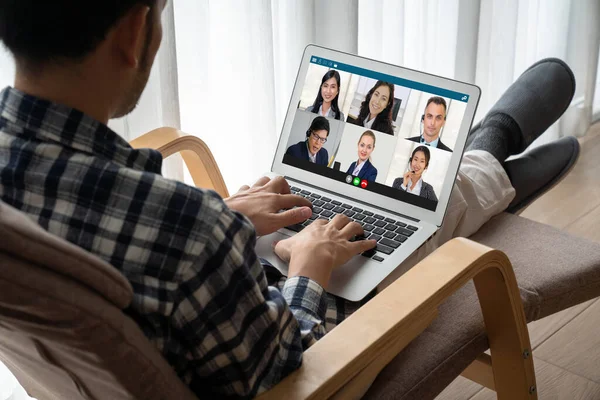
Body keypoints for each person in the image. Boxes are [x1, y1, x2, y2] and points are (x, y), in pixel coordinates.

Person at [0, 0, 579, 397]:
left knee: (357, 209)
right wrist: (310, 266)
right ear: (132, 36)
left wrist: (224, 220)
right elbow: (284, 369)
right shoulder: (189, 230)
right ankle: (491, 153)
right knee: (429, 224)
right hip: (300, 379)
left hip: (174, 344)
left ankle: (491, 156)